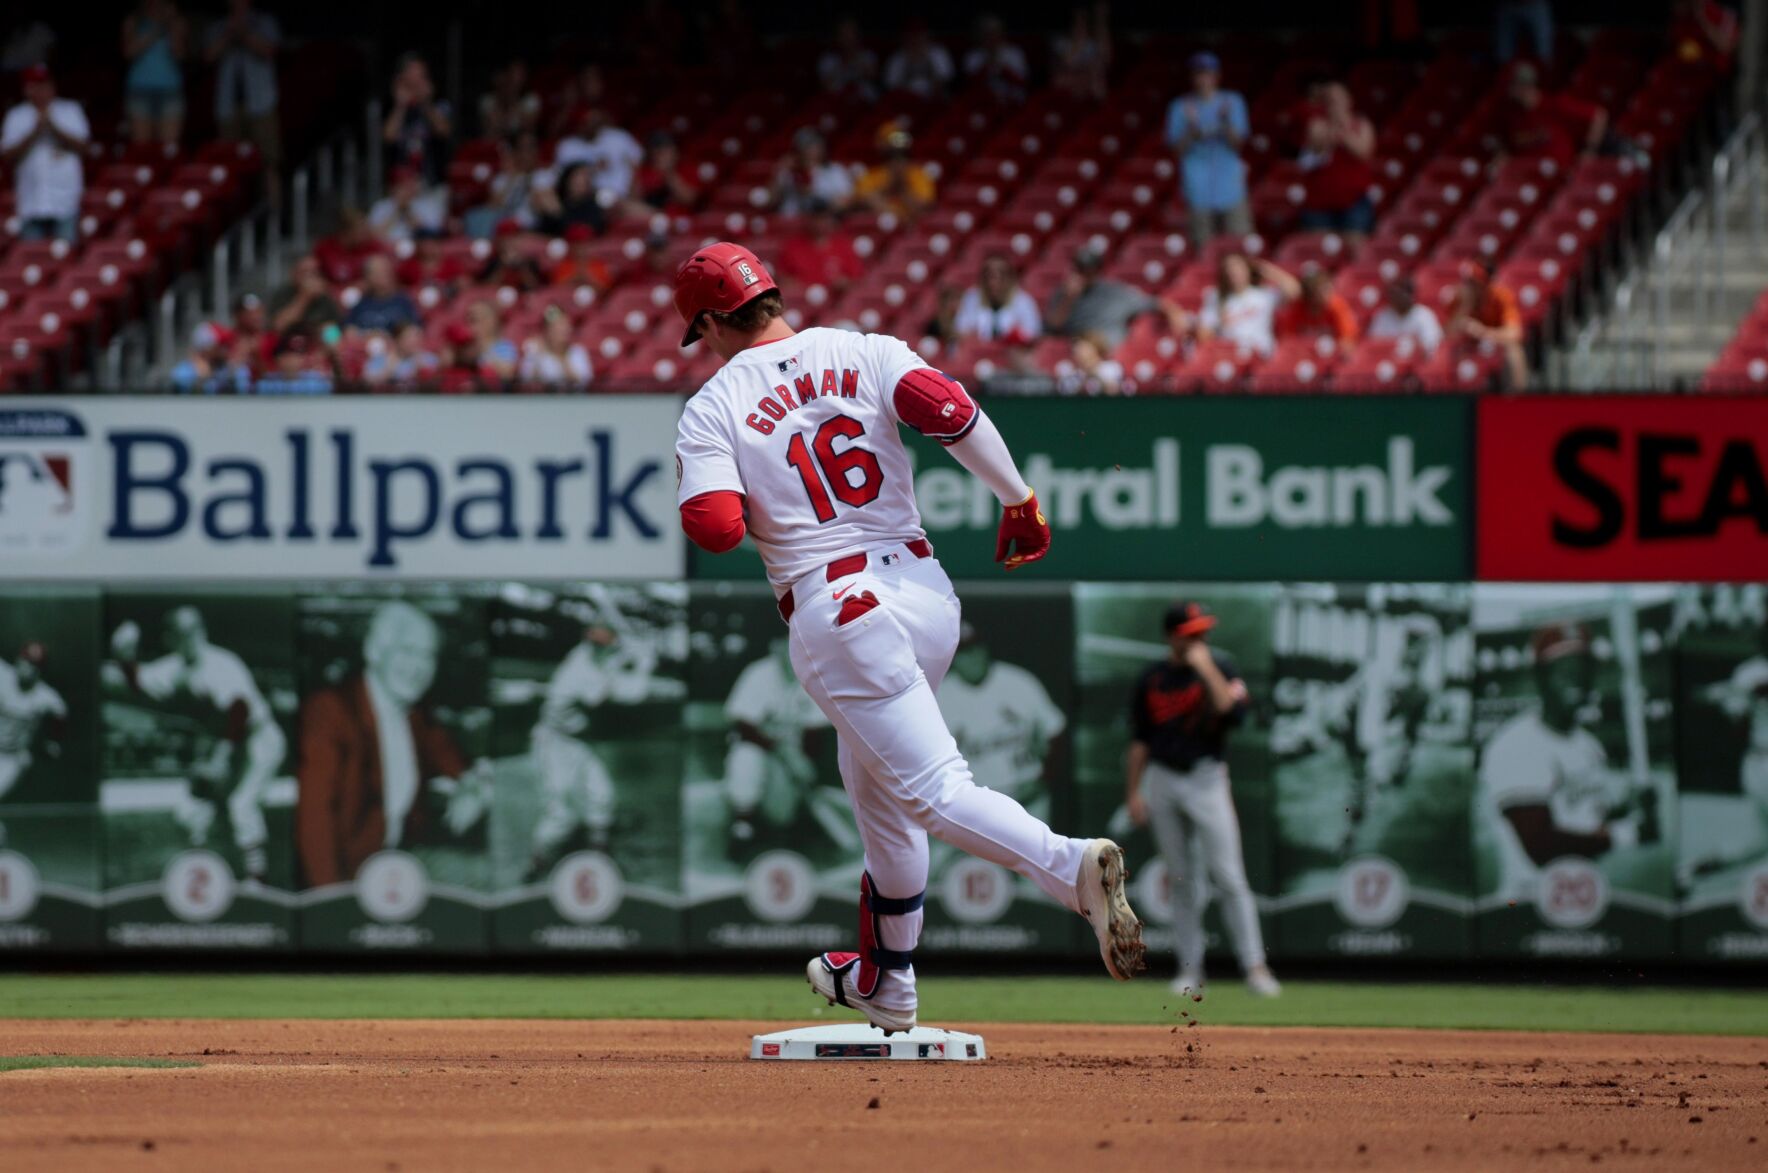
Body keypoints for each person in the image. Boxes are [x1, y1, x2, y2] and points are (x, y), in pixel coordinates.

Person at [672, 241, 1146, 1034]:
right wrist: (1019, 499)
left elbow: (714, 527)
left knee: (932, 791)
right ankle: (888, 984)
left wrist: (764, 502)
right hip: (924, 593)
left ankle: (1073, 872)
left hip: (838, 608)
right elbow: (951, 411)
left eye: (703, 330)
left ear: (718, 318)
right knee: (879, 797)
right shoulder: (864, 348)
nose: (706, 344)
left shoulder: (713, 405)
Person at [1124, 602, 1280, 998]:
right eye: (1189, 634)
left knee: (1229, 876)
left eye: (1202, 633)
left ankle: (1255, 968)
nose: (1198, 640)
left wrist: (1205, 665)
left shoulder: (1221, 667)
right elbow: (1140, 741)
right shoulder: (1152, 677)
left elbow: (1229, 708)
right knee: (1180, 880)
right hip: (1163, 777)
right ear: (1171, 636)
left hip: (1207, 777)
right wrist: (1133, 792)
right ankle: (1191, 970)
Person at [295, 602, 492, 887]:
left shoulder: (414, 713)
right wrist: (330, 903)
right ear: (374, 651)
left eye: (428, 656)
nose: (419, 667)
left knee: (480, 876)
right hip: (349, 873)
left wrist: (474, 788)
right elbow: (314, 821)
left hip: (400, 857)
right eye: (408, 651)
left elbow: (454, 759)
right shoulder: (331, 711)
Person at [1477, 622, 1659, 903]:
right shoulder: (1516, 745)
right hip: (1528, 902)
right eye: (1563, 669)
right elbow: (1540, 845)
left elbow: (1586, 818)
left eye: (1583, 669)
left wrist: (1630, 807)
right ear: (1540, 677)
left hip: (1584, 894)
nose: (1576, 679)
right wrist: (1628, 834)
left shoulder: (1588, 745)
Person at [105, 606, 285, 882]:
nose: (192, 638)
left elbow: (239, 711)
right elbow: (138, 683)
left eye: (195, 631)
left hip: (259, 741)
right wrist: (125, 658)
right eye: (183, 634)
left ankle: (256, 880)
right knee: (190, 813)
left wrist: (220, 758)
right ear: (171, 639)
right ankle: (210, 873)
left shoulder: (221, 664)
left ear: (203, 631)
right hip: (230, 743)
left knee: (242, 805)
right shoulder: (174, 666)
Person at [524, 621, 657, 878]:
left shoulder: (584, 653)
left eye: (602, 644)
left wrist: (634, 646)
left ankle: (599, 855)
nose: (597, 648)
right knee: (560, 813)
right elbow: (633, 694)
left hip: (578, 742)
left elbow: (613, 657)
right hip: (554, 744)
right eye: (596, 644)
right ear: (589, 643)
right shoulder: (581, 673)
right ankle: (536, 863)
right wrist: (646, 664)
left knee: (602, 794)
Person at [717, 637, 842, 855]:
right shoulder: (758, 674)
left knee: (781, 817)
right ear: (775, 647)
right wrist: (781, 750)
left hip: (791, 755)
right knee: (745, 761)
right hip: (757, 749)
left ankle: (798, 814)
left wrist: (806, 765)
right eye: (789, 645)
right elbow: (743, 726)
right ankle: (742, 825)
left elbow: (815, 733)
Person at [1165, 52, 1251, 245]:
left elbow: (1238, 144)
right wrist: (1192, 129)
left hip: (1230, 185)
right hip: (1197, 185)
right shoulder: (1180, 107)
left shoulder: (1232, 101)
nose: (1204, 78)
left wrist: (1224, 120)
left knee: (1238, 242)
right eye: (1199, 73)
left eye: (1207, 73)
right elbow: (1177, 150)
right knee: (1203, 246)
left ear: (1217, 76)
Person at [0, 64, 90, 242]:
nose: (42, 90)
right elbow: (6, 156)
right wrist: (35, 131)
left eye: (45, 84)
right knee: (31, 258)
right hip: (31, 201)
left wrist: (52, 126)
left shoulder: (69, 110)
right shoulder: (16, 116)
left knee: (66, 257)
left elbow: (84, 148)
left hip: (65, 202)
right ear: (27, 89)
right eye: (36, 85)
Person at [206, 0, 280, 194]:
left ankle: (275, 217)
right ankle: (236, 216)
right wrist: (230, 33)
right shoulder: (220, 26)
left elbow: (269, 50)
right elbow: (208, 56)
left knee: (268, 161)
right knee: (229, 165)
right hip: (228, 105)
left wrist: (244, 32)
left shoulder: (264, 22)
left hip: (261, 103)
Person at [1297, 82, 1377, 236]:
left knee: (1355, 241)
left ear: (1349, 100)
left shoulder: (1362, 125)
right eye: (1330, 99)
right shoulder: (1316, 125)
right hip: (1319, 201)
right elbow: (1318, 143)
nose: (1335, 103)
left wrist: (1342, 129)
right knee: (1318, 247)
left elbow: (1363, 151)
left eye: (1338, 99)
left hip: (1354, 199)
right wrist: (1334, 127)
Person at [1495, 62, 1606, 170]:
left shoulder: (1554, 103)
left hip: (1559, 173)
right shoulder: (1513, 113)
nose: (1509, 90)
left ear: (1523, 87)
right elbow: (1513, 145)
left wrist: (1590, 150)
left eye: (1512, 85)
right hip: (1529, 173)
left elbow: (1599, 115)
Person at [0, 643, 66, 822]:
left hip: (12, 759)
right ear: (17, 660)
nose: (25, 668)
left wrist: (54, 741)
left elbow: (60, 712)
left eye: (32, 665)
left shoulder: (45, 696)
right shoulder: (3, 674)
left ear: (39, 671)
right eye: (24, 661)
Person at [1043, 247, 1157, 350]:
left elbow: (1151, 303)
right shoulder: (1063, 294)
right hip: (1081, 355)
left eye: (1087, 270)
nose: (1083, 274)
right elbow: (1052, 328)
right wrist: (1068, 299)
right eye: (1079, 269)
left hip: (1112, 352)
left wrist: (1173, 313)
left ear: (1096, 272)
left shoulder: (1113, 292)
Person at [1194, 253, 1298, 356]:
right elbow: (1204, 333)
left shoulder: (1264, 294)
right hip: (1231, 355)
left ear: (1247, 269)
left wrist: (1265, 270)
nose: (1233, 271)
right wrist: (1218, 324)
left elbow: (1294, 290)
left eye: (1238, 266)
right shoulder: (1216, 297)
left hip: (1261, 354)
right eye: (1229, 268)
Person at [1448, 259, 1528, 389]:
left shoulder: (1501, 295)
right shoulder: (1460, 298)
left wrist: (1482, 332)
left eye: (1475, 283)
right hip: (1468, 346)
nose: (1471, 287)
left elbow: (1515, 333)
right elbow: (1447, 335)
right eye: (1469, 283)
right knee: (1448, 351)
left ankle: (1517, 399)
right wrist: (1465, 306)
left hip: (1494, 344)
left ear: (1485, 284)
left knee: (1514, 350)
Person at [122, 0, 188, 145]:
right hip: (140, 89)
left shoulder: (176, 22)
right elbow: (129, 52)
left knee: (168, 148)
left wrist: (170, 23)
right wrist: (157, 29)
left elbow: (180, 54)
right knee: (142, 147)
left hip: (171, 90)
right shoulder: (134, 21)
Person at [382, 53, 453, 185]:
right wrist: (400, 106)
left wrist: (426, 103)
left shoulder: (439, 104)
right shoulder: (392, 107)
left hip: (432, 182)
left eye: (420, 76)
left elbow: (444, 131)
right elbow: (388, 137)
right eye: (412, 76)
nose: (416, 83)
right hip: (401, 185)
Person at [946, 253, 1042, 344]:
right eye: (989, 275)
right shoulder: (971, 298)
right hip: (978, 353)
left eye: (1001, 275)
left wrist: (1015, 336)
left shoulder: (1024, 301)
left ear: (1010, 277)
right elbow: (959, 331)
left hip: (1010, 355)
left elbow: (1033, 335)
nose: (994, 281)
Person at [554, 107, 643, 205]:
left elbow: (635, 163)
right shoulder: (568, 146)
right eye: (587, 122)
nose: (592, 125)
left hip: (622, 193)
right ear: (579, 125)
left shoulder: (617, 137)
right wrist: (593, 169)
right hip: (589, 198)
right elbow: (565, 179)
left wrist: (633, 187)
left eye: (595, 121)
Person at [853, 123, 935, 221]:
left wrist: (902, 187)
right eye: (893, 154)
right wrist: (889, 186)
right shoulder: (872, 175)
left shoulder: (918, 174)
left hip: (911, 228)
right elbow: (862, 198)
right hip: (880, 227)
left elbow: (924, 205)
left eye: (900, 155)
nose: (897, 161)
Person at [777, 208, 863, 291]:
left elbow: (856, 280)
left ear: (832, 221)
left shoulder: (844, 246)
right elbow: (782, 278)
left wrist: (845, 284)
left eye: (824, 219)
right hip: (802, 300)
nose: (820, 223)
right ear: (809, 220)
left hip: (837, 301)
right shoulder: (793, 246)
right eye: (817, 219)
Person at [773, 128, 853, 216]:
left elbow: (845, 201)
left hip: (823, 220)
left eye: (815, 145)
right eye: (805, 146)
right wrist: (780, 172)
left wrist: (815, 194)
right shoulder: (789, 171)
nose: (811, 150)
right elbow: (770, 200)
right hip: (791, 222)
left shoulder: (834, 171)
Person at [1274, 268, 1359, 348]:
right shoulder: (1297, 308)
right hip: (1303, 353)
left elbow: (1347, 341)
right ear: (1310, 294)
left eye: (1327, 289)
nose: (1326, 295)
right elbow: (1287, 339)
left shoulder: (1337, 306)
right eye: (1321, 291)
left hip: (1330, 355)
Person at [367, 165, 448, 244]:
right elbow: (374, 235)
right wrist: (397, 210)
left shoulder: (428, 205)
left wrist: (407, 210)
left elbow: (429, 235)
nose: (407, 189)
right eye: (401, 185)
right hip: (386, 249)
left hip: (418, 251)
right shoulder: (380, 206)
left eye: (409, 184)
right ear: (392, 188)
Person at [626, 131, 699, 218]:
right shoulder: (646, 170)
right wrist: (635, 172)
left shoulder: (687, 169)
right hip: (650, 218)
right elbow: (634, 199)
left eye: (666, 150)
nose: (661, 155)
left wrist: (668, 173)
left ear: (676, 151)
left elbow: (689, 199)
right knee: (620, 206)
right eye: (658, 151)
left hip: (678, 218)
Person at [519, 305, 593, 389]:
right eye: (556, 327)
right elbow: (526, 383)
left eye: (564, 326)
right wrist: (537, 357)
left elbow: (583, 383)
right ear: (547, 330)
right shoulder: (535, 351)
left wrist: (561, 357)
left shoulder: (578, 352)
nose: (562, 331)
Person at [345, 255, 422, 335]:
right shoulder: (360, 305)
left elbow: (416, 331)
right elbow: (343, 333)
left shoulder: (404, 303)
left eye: (385, 271)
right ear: (367, 277)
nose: (383, 275)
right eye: (377, 272)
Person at [1367, 276, 1443, 355]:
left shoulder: (1424, 315)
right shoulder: (1382, 316)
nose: (1400, 297)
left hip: (1416, 363)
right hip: (1389, 361)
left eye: (1404, 293)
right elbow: (1373, 346)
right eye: (1396, 294)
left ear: (1412, 295)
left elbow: (1431, 347)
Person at [270, 255, 343, 337]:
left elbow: (336, 329)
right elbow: (279, 326)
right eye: (305, 272)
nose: (309, 277)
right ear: (294, 274)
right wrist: (305, 297)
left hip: (317, 343)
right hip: (288, 343)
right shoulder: (283, 294)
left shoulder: (325, 296)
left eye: (314, 272)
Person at [1052, 2, 1112, 101]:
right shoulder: (1060, 42)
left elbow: (1106, 58)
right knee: (1064, 78)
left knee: (1098, 82)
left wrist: (1101, 19)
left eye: (1084, 21)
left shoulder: (1092, 43)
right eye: (1078, 22)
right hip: (1071, 79)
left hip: (1088, 78)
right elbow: (1067, 64)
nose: (1082, 25)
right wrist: (1080, 39)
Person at [964, 14, 1029, 103]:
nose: (991, 37)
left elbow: (1022, 82)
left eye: (994, 32)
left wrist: (1003, 68)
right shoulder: (973, 56)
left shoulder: (1014, 53)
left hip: (1012, 101)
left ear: (1002, 33)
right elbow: (971, 85)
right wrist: (987, 65)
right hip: (983, 103)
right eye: (987, 33)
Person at [532, 162, 608, 237]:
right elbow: (541, 232)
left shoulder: (593, 207)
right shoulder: (558, 201)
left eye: (586, 178)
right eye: (577, 177)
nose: (581, 181)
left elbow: (581, 232)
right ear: (567, 180)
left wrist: (557, 213)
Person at [883, 20, 954, 100]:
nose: (915, 40)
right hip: (905, 100)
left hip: (933, 99)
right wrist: (908, 62)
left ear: (926, 36)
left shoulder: (938, 53)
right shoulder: (897, 57)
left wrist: (927, 59)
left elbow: (945, 80)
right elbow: (892, 86)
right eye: (911, 36)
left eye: (918, 36)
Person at [817, 16, 880, 102]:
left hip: (864, 102)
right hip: (837, 102)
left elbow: (874, 77)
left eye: (851, 33)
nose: (848, 38)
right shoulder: (828, 60)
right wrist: (842, 64)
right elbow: (825, 86)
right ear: (838, 37)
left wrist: (855, 59)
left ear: (858, 35)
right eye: (844, 34)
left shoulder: (868, 56)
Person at [362, 320, 439, 388]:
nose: (413, 341)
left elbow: (438, 381)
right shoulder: (380, 360)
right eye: (408, 338)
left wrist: (423, 372)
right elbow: (367, 382)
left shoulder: (429, 359)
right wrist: (388, 371)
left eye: (416, 337)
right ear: (397, 340)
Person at [476, 221, 547, 292]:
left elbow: (534, 287)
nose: (511, 242)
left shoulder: (529, 260)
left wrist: (522, 265)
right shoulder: (491, 258)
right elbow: (486, 288)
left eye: (514, 238)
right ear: (499, 240)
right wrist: (502, 265)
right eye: (506, 239)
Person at [478, 57, 538, 140]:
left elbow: (527, 127)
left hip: (519, 145)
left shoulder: (531, 99)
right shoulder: (488, 100)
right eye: (513, 74)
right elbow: (491, 127)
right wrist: (503, 101)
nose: (516, 79)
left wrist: (513, 100)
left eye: (520, 75)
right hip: (497, 141)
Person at [464, 299, 519, 383]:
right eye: (471, 320)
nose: (474, 325)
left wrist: (483, 348)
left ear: (493, 321)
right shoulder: (464, 345)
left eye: (480, 319)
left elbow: (508, 373)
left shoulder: (505, 346)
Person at [550, 224, 615, 292]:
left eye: (586, 243)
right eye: (578, 243)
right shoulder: (561, 265)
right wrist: (575, 278)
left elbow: (607, 292)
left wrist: (587, 278)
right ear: (570, 245)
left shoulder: (599, 264)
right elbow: (555, 290)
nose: (582, 247)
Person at [1058, 331, 1126, 395]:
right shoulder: (1072, 373)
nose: (1079, 353)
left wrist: (1093, 374)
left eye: (1083, 348)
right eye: (1076, 350)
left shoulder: (1111, 367)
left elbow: (1113, 390)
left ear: (1096, 348)